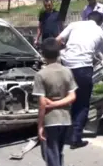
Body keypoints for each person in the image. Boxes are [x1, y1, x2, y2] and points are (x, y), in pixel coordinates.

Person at [55, 11, 103, 149]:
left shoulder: (75, 24)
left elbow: (57, 40)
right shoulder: (100, 31)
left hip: (65, 67)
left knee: (63, 100)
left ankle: (56, 134)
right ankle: (76, 138)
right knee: (81, 103)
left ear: (87, 18)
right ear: (101, 22)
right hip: (83, 69)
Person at [32, 37, 77, 166]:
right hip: (65, 119)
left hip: (50, 120)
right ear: (59, 53)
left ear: (43, 54)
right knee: (58, 152)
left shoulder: (41, 75)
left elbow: (42, 104)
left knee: (51, 153)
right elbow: (72, 96)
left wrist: (40, 125)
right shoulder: (67, 71)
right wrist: (58, 103)